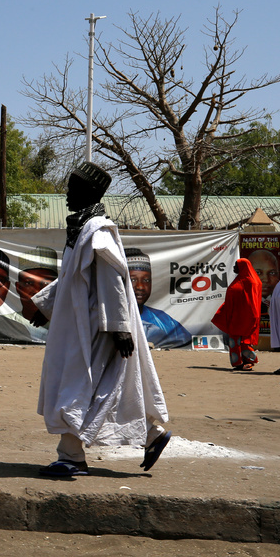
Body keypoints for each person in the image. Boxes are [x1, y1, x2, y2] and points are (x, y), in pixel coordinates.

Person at [34, 162, 169, 478]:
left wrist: (119, 327)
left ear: (88, 192)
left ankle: (71, 457)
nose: (67, 194)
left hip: (95, 328)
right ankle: (151, 434)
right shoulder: (80, 229)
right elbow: (71, 278)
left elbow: (113, 279)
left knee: (77, 388)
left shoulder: (98, 230)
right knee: (100, 388)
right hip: (81, 325)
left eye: (73, 188)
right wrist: (46, 307)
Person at [126, 248, 192, 349]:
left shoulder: (165, 320)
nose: (140, 286)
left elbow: (188, 346)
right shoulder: (107, 321)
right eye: (133, 279)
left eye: (146, 280)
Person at [211, 258, 262, 371]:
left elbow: (252, 301)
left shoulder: (251, 282)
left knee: (238, 339)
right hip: (238, 315)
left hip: (245, 316)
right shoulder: (242, 279)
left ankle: (241, 363)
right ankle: (247, 360)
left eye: (236, 265)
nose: (234, 267)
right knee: (237, 339)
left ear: (243, 267)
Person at [7, 246, 59, 343]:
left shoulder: (66, 324)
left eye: (46, 284)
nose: (37, 291)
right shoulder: (7, 323)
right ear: (18, 287)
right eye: (29, 283)